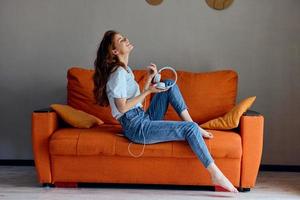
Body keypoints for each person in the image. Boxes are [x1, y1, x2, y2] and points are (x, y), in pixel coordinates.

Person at [93, 30, 238, 193]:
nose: (126, 39)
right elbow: (123, 107)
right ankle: (215, 174)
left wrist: (148, 79)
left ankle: (192, 124)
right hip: (135, 126)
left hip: (141, 117)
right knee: (189, 130)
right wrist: (149, 91)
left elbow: (136, 100)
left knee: (168, 83)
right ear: (114, 51)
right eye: (121, 40)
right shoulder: (118, 73)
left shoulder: (125, 70)